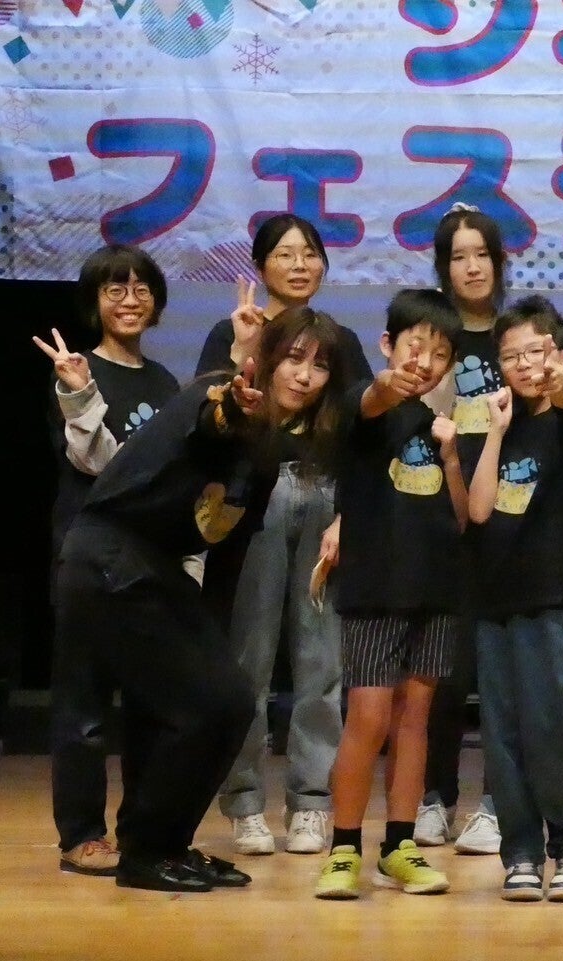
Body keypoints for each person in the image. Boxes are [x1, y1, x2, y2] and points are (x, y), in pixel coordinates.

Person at [52, 306, 350, 892]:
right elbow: (215, 421)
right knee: (211, 704)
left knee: (217, 703)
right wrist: (235, 405)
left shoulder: (269, 454)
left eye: (319, 367)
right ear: (265, 359)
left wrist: (210, 635)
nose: (303, 375)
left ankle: (159, 844)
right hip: (110, 558)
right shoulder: (215, 397)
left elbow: (230, 551)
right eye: (293, 358)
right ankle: (148, 852)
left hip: (157, 571)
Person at [203, 214, 372, 858]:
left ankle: (312, 803)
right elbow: (210, 421)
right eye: (284, 253)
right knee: (246, 662)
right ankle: (245, 803)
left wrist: (348, 513)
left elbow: (363, 433)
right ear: (260, 265)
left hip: (324, 496)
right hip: (257, 501)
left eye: (310, 254)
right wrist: (244, 353)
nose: (300, 264)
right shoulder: (234, 330)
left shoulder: (339, 339)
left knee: (321, 661)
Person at [312, 290, 466, 899]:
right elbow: (371, 398)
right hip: (376, 588)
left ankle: (399, 845)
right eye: (414, 346)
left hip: (436, 589)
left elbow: (461, 516)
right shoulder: (365, 406)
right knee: (369, 718)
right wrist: (386, 385)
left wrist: (452, 456)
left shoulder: (440, 426)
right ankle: (343, 848)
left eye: (440, 353)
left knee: (414, 720)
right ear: (387, 346)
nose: (425, 361)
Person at [38, 244, 181, 877]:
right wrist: (81, 393)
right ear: (94, 302)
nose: (130, 300)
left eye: (142, 288)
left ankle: (141, 832)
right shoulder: (73, 371)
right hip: (89, 559)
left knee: (151, 706)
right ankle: (81, 835)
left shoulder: (165, 382)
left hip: (150, 561)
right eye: (114, 289)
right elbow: (98, 465)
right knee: (85, 705)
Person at [466, 296, 563, 902]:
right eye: (511, 357)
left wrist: (561, 385)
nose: (524, 365)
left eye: (536, 352)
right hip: (495, 600)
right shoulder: (501, 423)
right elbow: (478, 511)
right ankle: (520, 852)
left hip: (557, 598)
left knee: (552, 730)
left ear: (562, 356)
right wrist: (495, 433)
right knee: (502, 737)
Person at [416, 203, 507, 856]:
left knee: (502, 671)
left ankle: (498, 803)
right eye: (458, 256)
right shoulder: (433, 341)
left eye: (482, 254)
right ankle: (434, 796)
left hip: (507, 523)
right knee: (442, 670)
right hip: (439, 521)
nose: (472, 267)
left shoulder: (517, 334)